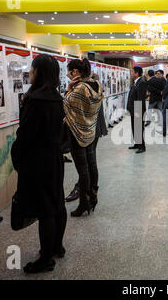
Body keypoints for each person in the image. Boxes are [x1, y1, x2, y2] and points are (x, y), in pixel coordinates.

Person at [10, 54, 67, 273]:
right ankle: (57, 247)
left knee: (45, 209)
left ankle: (46, 259)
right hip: (53, 157)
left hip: (37, 159)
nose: (30, 73)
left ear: (38, 72)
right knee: (57, 202)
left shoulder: (35, 100)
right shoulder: (56, 97)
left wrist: (18, 159)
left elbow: (26, 135)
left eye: (32, 69)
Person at [64, 58, 103, 217]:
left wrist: (68, 88)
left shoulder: (79, 88)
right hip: (91, 130)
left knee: (83, 170)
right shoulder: (96, 85)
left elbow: (65, 104)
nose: (68, 74)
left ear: (75, 72)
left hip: (77, 133)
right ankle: (93, 196)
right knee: (92, 164)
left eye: (69, 71)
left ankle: (84, 202)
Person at [127, 66, 147, 153]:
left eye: (132, 72)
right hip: (133, 110)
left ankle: (142, 146)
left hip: (138, 110)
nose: (131, 74)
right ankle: (137, 144)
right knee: (134, 127)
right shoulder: (136, 82)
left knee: (138, 128)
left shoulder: (141, 82)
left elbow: (140, 98)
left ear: (137, 73)